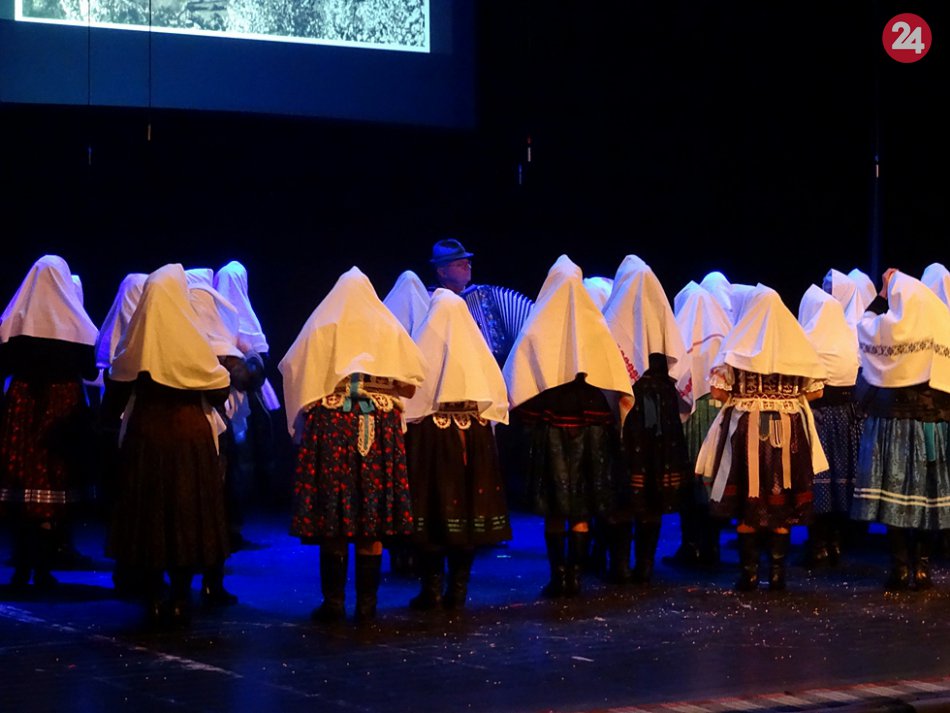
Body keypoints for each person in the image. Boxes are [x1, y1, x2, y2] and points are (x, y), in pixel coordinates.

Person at [279, 267, 425, 624]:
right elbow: (412, 383)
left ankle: (333, 603)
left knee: (334, 511)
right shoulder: (387, 327)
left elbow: (294, 367)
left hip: (332, 427)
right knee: (370, 515)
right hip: (379, 427)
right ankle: (366, 605)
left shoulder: (324, 324)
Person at [105, 264, 232, 628]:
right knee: (187, 512)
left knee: (150, 514)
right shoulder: (193, 341)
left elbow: (116, 389)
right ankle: (179, 598)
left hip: (147, 437)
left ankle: (155, 598)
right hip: (189, 439)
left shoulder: (136, 340)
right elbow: (220, 391)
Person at [503, 255, 632, 598]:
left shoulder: (537, 323)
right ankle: (574, 577)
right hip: (591, 422)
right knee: (581, 505)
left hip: (553, 422)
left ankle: (560, 577)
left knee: (555, 505)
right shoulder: (595, 324)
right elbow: (614, 375)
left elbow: (518, 374)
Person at [696, 284, 828, 592]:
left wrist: (749, 393)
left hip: (748, 428)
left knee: (748, 499)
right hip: (788, 428)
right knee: (781, 499)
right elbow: (817, 391)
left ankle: (750, 574)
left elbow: (717, 391)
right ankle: (778, 574)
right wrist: (786, 394)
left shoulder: (738, 342)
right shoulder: (797, 343)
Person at [403, 288, 511, 610]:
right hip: (473, 435)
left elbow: (412, 392)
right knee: (466, 507)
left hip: (432, 436)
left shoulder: (425, 341)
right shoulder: (475, 347)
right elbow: (495, 393)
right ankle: (457, 590)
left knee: (433, 506)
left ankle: (433, 590)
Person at [0, 255, 99, 592]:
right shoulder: (76, 325)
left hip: (23, 406)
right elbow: (89, 370)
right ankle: (43, 567)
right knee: (55, 481)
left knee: (21, 481)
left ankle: (21, 568)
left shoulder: (15, 321)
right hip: (61, 409)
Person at [850, 269, 950, 591]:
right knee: (925, 496)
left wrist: (882, 295)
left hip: (894, 423)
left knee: (893, 497)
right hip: (931, 423)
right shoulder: (943, 326)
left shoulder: (889, 331)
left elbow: (862, 326)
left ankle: (900, 566)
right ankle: (921, 568)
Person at [601, 255, 692, 585]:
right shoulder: (662, 314)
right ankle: (644, 566)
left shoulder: (613, 315)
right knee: (651, 485)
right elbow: (679, 363)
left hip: (630, 404)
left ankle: (622, 566)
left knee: (625, 484)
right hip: (660, 405)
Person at [187, 268, 266, 606]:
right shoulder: (222, 343)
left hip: (181, 434)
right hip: (210, 433)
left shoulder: (177, 339)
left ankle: (181, 583)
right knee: (212, 503)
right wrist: (248, 353)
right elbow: (249, 379)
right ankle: (211, 581)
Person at [667, 279, 732, 568]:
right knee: (713, 479)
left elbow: (676, 372)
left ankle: (690, 544)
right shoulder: (725, 331)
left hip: (692, 414)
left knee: (690, 478)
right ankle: (712, 546)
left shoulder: (681, 333)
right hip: (721, 412)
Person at [797, 284, 864, 567]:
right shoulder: (848, 339)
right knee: (841, 480)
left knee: (818, 479)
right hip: (846, 417)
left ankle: (818, 544)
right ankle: (835, 542)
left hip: (819, 417)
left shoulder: (807, 341)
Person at [213, 260, 282, 513]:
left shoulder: (215, 317)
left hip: (244, 390)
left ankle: (247, 502)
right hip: (235, 392)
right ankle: (239, 506)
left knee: (245, 450)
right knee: (240, 451)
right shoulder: (235, 317)